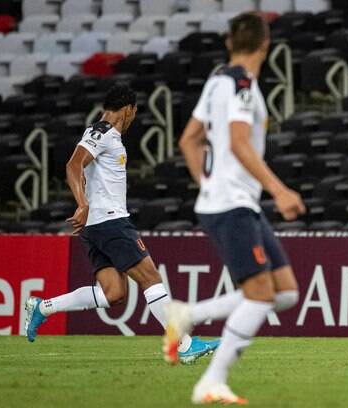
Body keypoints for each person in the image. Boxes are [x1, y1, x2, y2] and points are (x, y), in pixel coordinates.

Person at [164, 12, 306, 405]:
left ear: (229, 43)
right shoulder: (243, 85)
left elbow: (188, 140)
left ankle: (188, 314)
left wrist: (208, 185)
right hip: (233, 204)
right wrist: (279, 190)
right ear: (267, 44)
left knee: (286, 292)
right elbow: (240, 142)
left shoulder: (216, 82)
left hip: (230, 201)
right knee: (260, 294)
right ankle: (212, 380)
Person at [24, 85, 219, 364]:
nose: (132, 120)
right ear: (129, 109)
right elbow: (73, 165)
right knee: (151, 278)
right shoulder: (101, 133)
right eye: (134, 115)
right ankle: (184, 345)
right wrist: (82, 203)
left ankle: (44, 307)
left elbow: (80, 168)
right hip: (110, 221)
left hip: (96, 225)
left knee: (114, 294)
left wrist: (85, 205)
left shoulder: (104, 134)